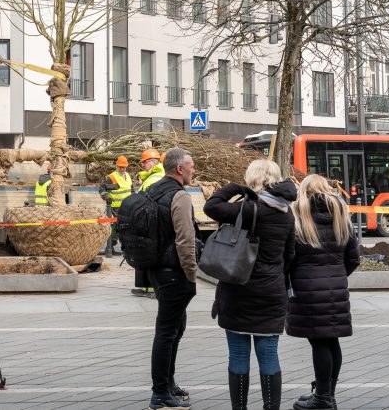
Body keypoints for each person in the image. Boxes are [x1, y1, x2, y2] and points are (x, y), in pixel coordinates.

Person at [203, 159, 296, 410]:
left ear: (251, 178)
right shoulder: (287, 213)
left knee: (238, 355)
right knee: (268, 356)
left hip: (238, 292)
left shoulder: (247, 208)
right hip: (271, 293)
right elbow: (289, 256)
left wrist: (232, 187)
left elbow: (211, 206)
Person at [286, 174, 360, 410]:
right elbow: (354, 258)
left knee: (319, 343)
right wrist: (337, 275)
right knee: (332, 341)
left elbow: (289, 258)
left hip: (306, 289)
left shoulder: (297, 216)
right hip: (336, 288)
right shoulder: (341, 215)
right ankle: (327, 394)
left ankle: (322, 399)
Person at [145, 148, 198, 409]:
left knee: (175, 329)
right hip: (174, 272)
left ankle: (168, 384)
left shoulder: (153, 190)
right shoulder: (180, 196)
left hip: (156, 268)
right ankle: (160, 393)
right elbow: (185, 241)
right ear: (179, 169)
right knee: (167, 332)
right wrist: (191, 274)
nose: (193, 170)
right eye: (191, 166)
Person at [133, 148, 165, 297]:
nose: (143, 166)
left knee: (150, 255)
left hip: (151, 224)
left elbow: (142, 201)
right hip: (155, 223)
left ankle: (153, 288)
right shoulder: (158, 176)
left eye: (144, 163)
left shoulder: (153, 179)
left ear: (152, 163)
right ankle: (147, 287)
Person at [101, 155, 132, 255]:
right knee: (118, 225)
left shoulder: (127, 176)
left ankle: (123, 246)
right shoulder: (112, 177)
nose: (122, 169)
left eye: (124, 167)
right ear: (116, 166)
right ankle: (111, 246)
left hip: (127, 206)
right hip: (116, 206)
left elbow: (131, 189)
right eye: (120, 167)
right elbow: (101, 189)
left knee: (124, 226)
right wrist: (106, 196)